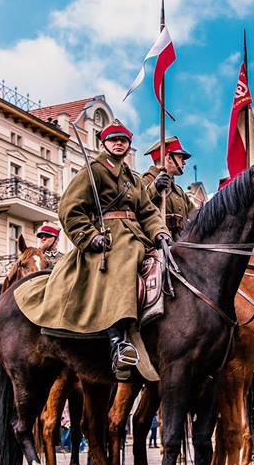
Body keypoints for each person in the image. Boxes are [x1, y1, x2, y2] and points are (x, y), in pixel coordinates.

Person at [14, 120, 170, 381]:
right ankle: (118, 341)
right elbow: (69, 208)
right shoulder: (93, 170)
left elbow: (148, 212)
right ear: (103, 144)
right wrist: (90, 237)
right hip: (107, 238)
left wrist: (160, 232)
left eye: (123, 139)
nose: (119, 143)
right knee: (122, 263)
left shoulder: (133, 178)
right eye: (113, 139)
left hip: (137, 236)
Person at [140, 136, 196, 239]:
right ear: (169, 158)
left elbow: (196, 215)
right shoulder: (144, 181)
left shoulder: (179, 191)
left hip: (180, 245)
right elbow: (136, 204)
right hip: (155, 244)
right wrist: (155, 188)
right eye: (181, 158)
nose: (184, 163)